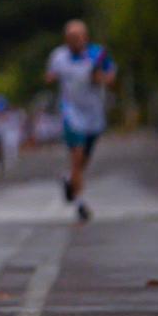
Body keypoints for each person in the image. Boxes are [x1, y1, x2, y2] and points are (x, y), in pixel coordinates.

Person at [45, 19, 116, 222]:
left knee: (84, 158)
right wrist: (52, 76)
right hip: (71, 111)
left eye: (77, 37)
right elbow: (50, 75)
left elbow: (110, 77)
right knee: (76, 156)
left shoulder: (98, 54)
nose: (73, 41)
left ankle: (70, 180)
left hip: (93, 112)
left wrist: (99, 78)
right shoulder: (59, 56)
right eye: (69, 37)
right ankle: (80, 203)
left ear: (85, 37)